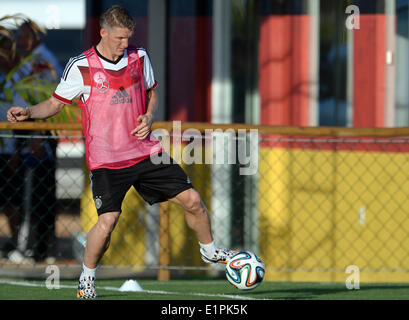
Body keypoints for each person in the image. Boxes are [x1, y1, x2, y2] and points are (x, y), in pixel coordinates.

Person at [7, 5, 237, 299]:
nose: (125, 44)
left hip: (144, 150)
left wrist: (149, 116)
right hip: (107, 159)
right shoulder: (82, 66)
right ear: (103, 32)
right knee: (108, 221)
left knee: (193, 200)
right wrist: (28, 111)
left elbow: (152, 92)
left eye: (128, 38)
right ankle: (86, 279)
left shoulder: (139, 57)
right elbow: (54, 104)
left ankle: (210, 251)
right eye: (119, 38)